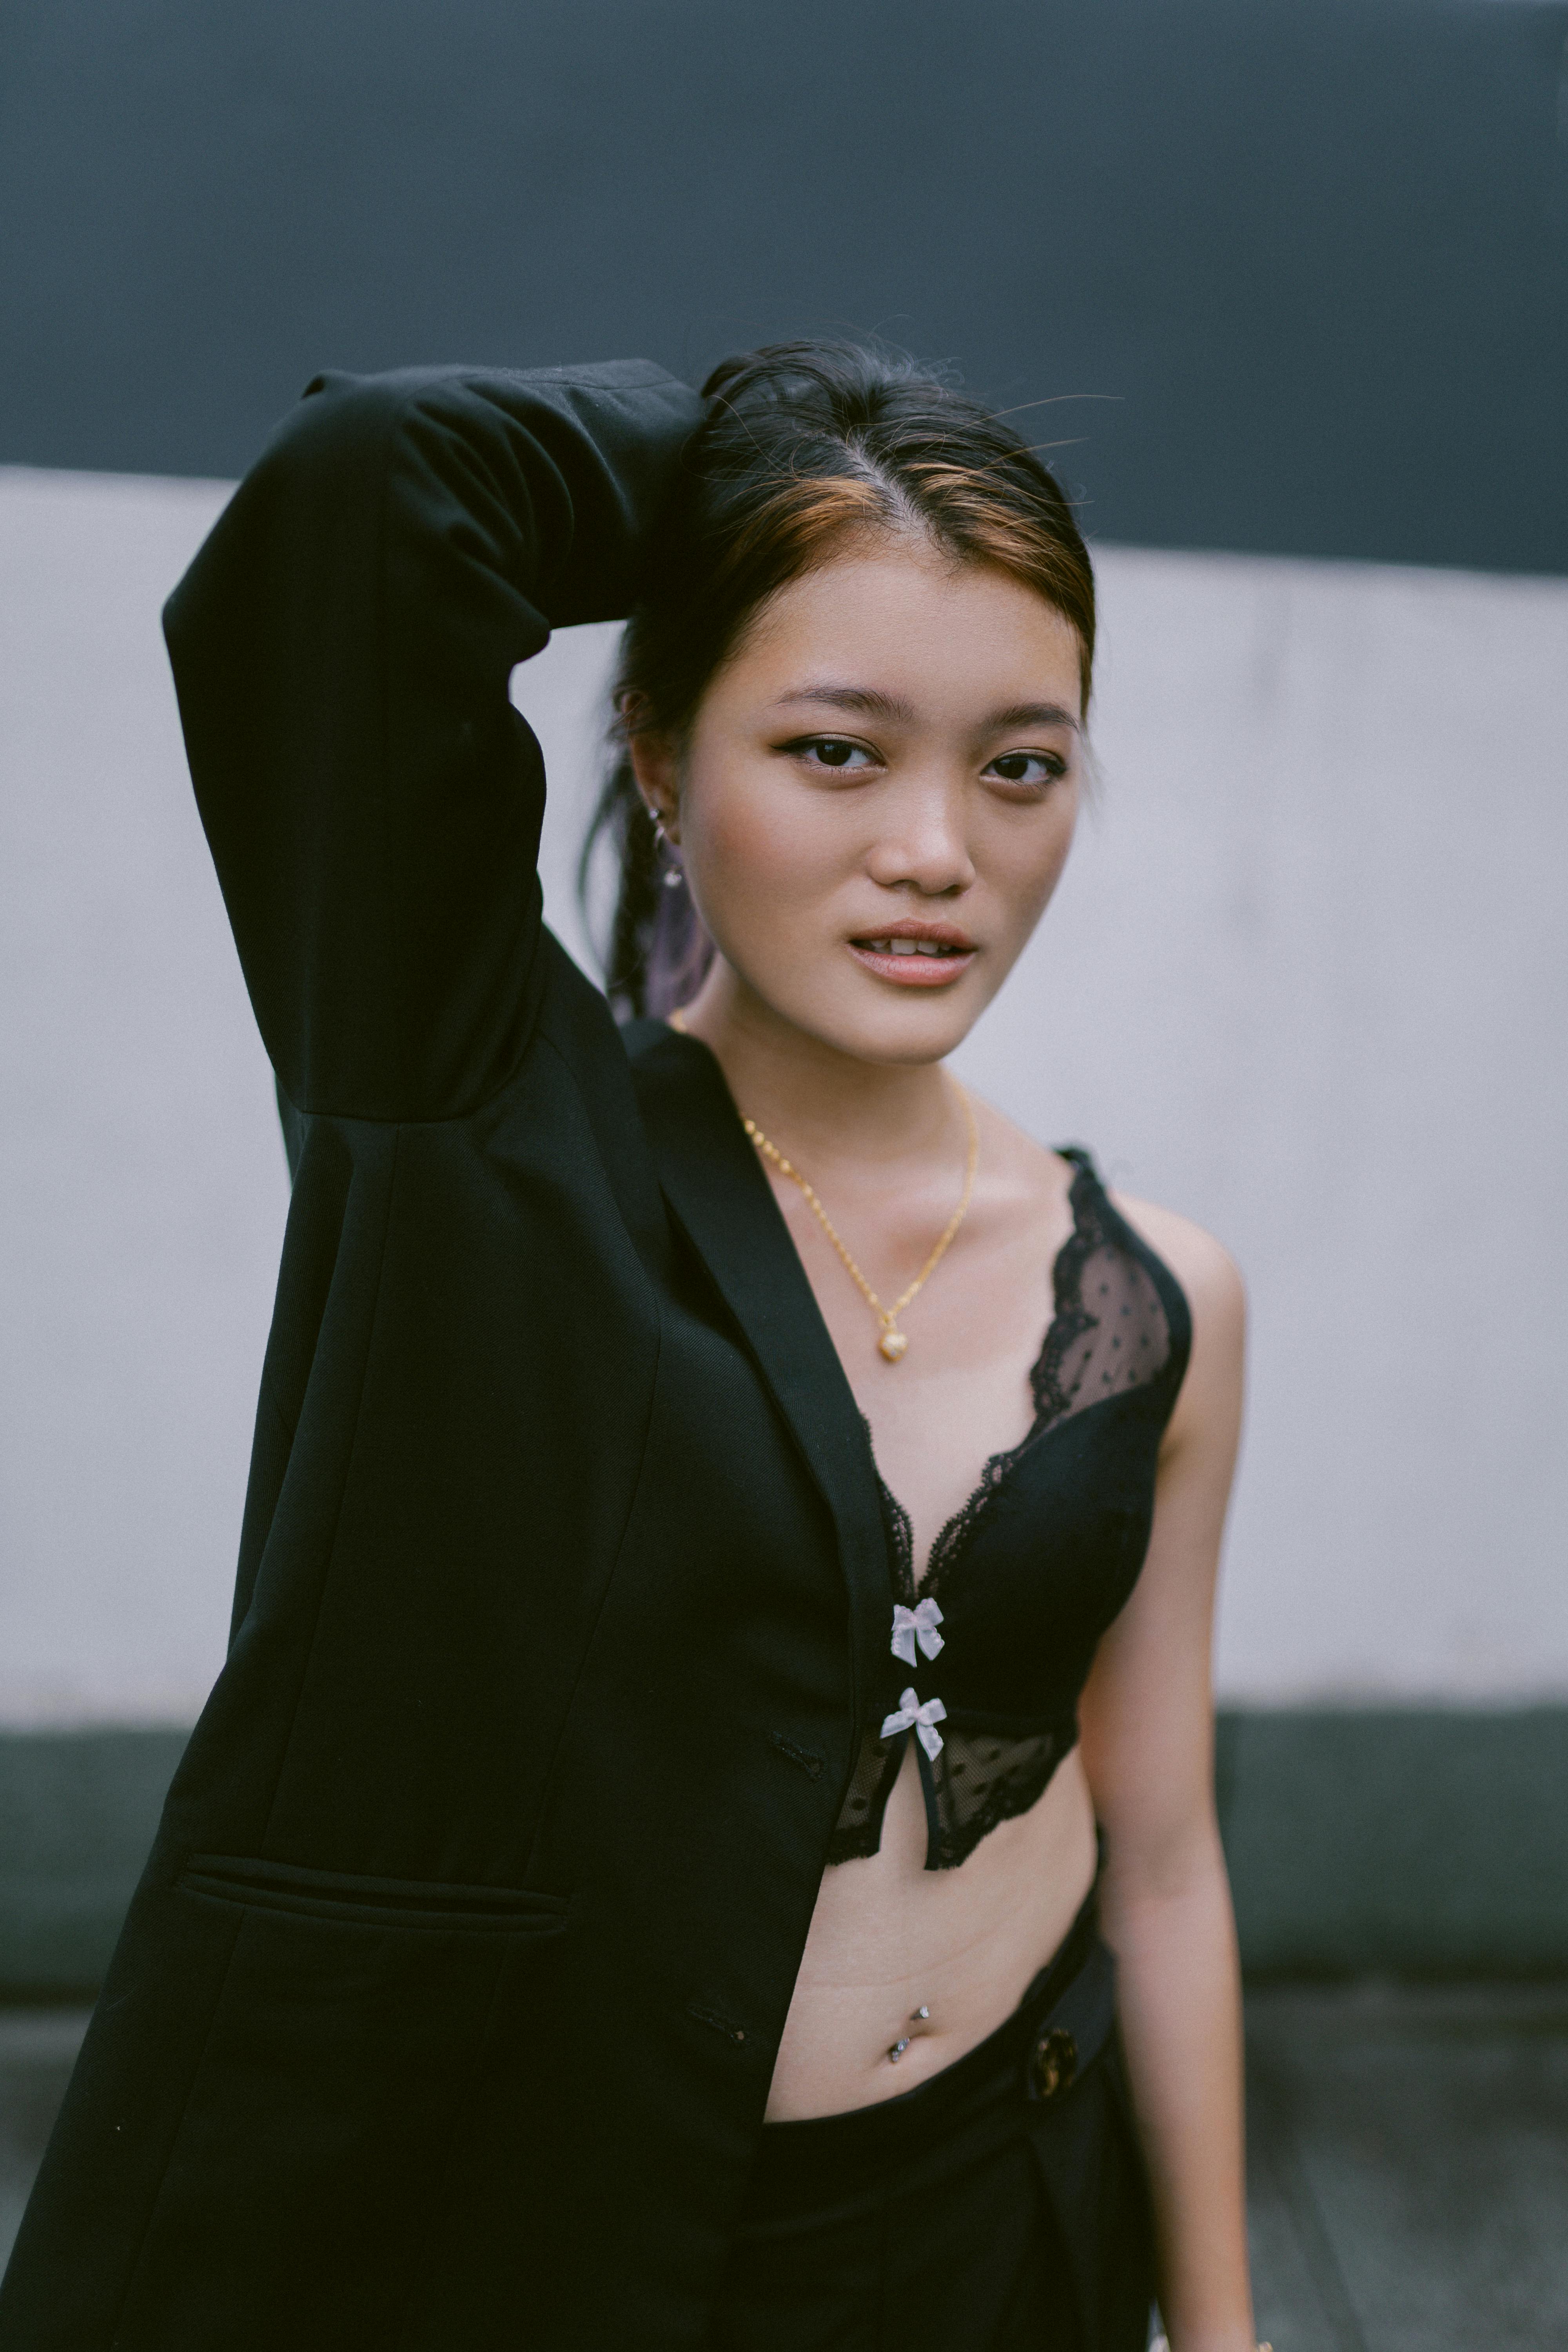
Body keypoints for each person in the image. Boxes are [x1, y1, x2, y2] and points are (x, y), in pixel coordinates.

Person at [0, 344, 1260, 2352]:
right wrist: (798, 442)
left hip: (1002, 2228)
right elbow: (364, 497)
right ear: (662, 760)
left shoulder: (1160, 1292)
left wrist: (1223, 2327)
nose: (936, 849)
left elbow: (1167, 1860)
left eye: (1017, 765)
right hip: (581, 2241)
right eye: (836, 749)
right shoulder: (479, 1137)